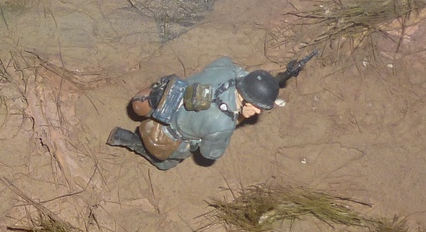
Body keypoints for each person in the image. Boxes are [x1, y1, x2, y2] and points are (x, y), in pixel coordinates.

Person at [108, 53, 307, 170]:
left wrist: (266, 84)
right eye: (257, 107)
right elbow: (209, 154)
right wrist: (236, 117)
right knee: (165, 163)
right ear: (247, 100)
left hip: (167, 97)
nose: (257, 112)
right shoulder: (222, 125)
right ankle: (128, 140)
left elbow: (231, 68)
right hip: (169, 132)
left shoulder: (226, 69)